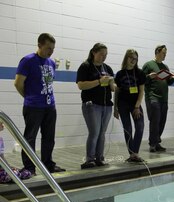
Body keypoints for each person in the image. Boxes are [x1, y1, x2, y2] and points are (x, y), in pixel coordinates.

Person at [14, 33, 65, 175]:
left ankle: (48, 164)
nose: (51, 51)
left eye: (53, 49)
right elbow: (18, 83)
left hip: (50, 106)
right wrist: (29, 97)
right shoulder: (28, 61)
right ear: (39, 45)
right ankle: (29, 167)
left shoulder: (52, 63)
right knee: (30, 137)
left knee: (49, 137)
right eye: (48, 48)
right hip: (33, 107)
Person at [76, 43, 115, 169]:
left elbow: (113, 88)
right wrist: (99, 81)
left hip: (106, 105)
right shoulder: (85, 66)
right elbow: (81, 85)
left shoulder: (107, 68)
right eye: (101, 54)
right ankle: (90, 159)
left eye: (106, 55)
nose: (104, 57)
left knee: (102, 133)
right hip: (92, 104)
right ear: (93, 52)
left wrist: (111, 83)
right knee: (94, 132)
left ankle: (100, 158)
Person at [142, 45, 174, 153]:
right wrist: (149, 76)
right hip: (152, 97)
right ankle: (152, 144)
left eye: (166, 53)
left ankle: (157, 142)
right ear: (157, 52)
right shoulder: (148, 65)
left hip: (164, 98)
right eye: (163, 53)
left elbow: (169, 82)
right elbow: (141, 80)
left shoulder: (165, 67)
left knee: (162, 121)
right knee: (155, 120)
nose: (165, 55)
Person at [114, 49, 146, 163]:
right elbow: (117, 92)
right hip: (122, 104)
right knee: (127, 129)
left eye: (135, 59)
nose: (133, 60)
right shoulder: (119, 74)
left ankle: (135, 153)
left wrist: (137, 106)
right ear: (126, 58)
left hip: (135, 104)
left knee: (140, 127)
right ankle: (132, 155)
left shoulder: (140, 73)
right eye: (131, 58)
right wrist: (115, 109)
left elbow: (141, 91)